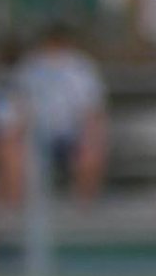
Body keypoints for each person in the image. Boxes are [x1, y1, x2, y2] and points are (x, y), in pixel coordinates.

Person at [11, 22, 109, 204]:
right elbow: (20, 106)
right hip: (37, 135)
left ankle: (84, 209)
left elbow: (92, 111)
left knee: (91, 153)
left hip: (71, 135)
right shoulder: (28, 68)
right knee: (14, 155)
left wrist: (91, 138)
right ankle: (16, 217)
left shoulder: (82, 68)